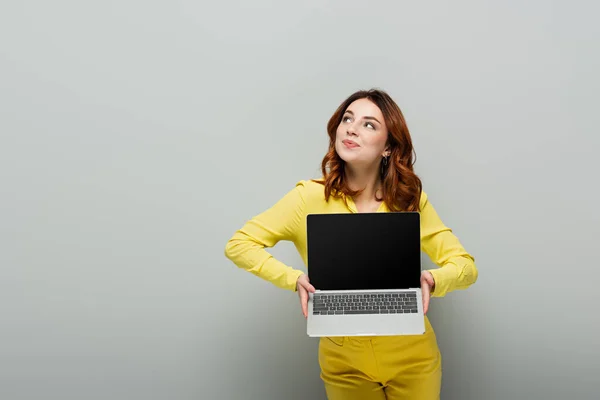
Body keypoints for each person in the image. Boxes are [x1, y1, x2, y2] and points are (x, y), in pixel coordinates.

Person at [224, 88, 478, 399]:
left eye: (369, 124)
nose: (352, 128)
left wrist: (435, 279)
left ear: (388, 147)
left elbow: (466, 266)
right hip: (343, 360)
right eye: (348, 118)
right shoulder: (308, 197)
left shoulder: (408, 201)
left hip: (412, 355)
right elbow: (240, 244)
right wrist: (293, 279)